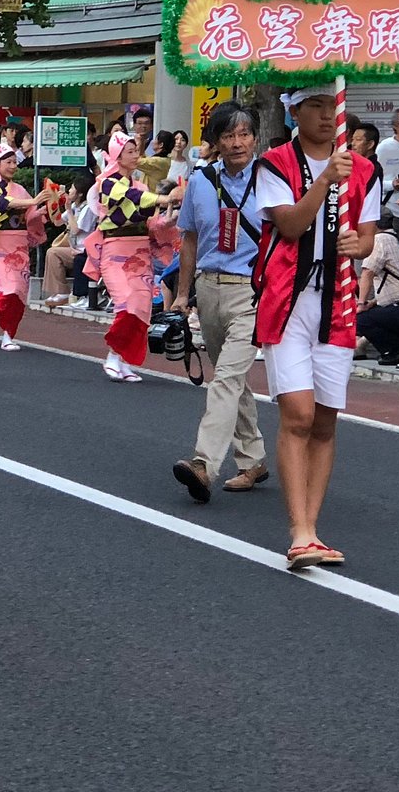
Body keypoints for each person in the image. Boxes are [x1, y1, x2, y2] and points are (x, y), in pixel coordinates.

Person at [254, 86, 380, 569]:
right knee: (299, 415)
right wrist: (326, 179)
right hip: (287, 301)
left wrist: (359, 247)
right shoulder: (276, 163)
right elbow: (288, 225)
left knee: (326, 419)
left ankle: (313, 528)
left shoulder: (364, 169)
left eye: (333, 107)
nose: (328, 116)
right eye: (315, 107)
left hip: (339, 303)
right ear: (294, 112)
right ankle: (299, 531)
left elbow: (368, 237)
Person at [170, 101, 267, 503]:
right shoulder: (200, 181)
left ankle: (203, 464)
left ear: (256, 139)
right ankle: (254, 458)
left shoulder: (271, 179)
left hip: (252, 292)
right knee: (233, 377)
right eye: (228, 135)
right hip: (208, 289)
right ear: (215, 141)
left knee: (225, 377)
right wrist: (181, 293)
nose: (237, 143)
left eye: (244, 134)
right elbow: (189, 238)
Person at [89, 132, 178, 380]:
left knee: (141, 307)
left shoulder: (139, 185)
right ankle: (113, 355)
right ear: (117, 156)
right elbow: (132, 199)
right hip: (116, 250)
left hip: (140, 251)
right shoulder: (106, 183)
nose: (135, 155)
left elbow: (150, 223)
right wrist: (164, 198)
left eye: (135, 150)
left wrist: (167, 221)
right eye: (129, 151)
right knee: (126, 302)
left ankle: (121, 359)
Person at [0, 142, 49, 351]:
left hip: (19, 244)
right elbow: (1, 204)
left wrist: (43, 210)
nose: (13, 166)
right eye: (8, 162)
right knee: (10, 287)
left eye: (15, 162)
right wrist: (33, 202)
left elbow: (29, 216)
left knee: (20, 292)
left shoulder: (20, 189)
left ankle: (8, 335)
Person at [356, 215, 399, 366]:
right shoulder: (397, 237)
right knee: (375, 313)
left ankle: (395, 350)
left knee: (359, 320)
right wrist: (372, 302)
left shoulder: (379, 240)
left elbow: (367, 273)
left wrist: (361, 303)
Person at [42, 172, 96, 308]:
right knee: (52, 252)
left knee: (54, 253)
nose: (69, 190)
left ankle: (63, 293)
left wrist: (69, 210)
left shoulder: (88, 208)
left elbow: (76, 229)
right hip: (75, 248)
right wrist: (54, 203)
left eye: (72, 188)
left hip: (85, 250)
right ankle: (59, 292)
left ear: (80, 194)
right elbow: (58, 222)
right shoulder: (74, 206)